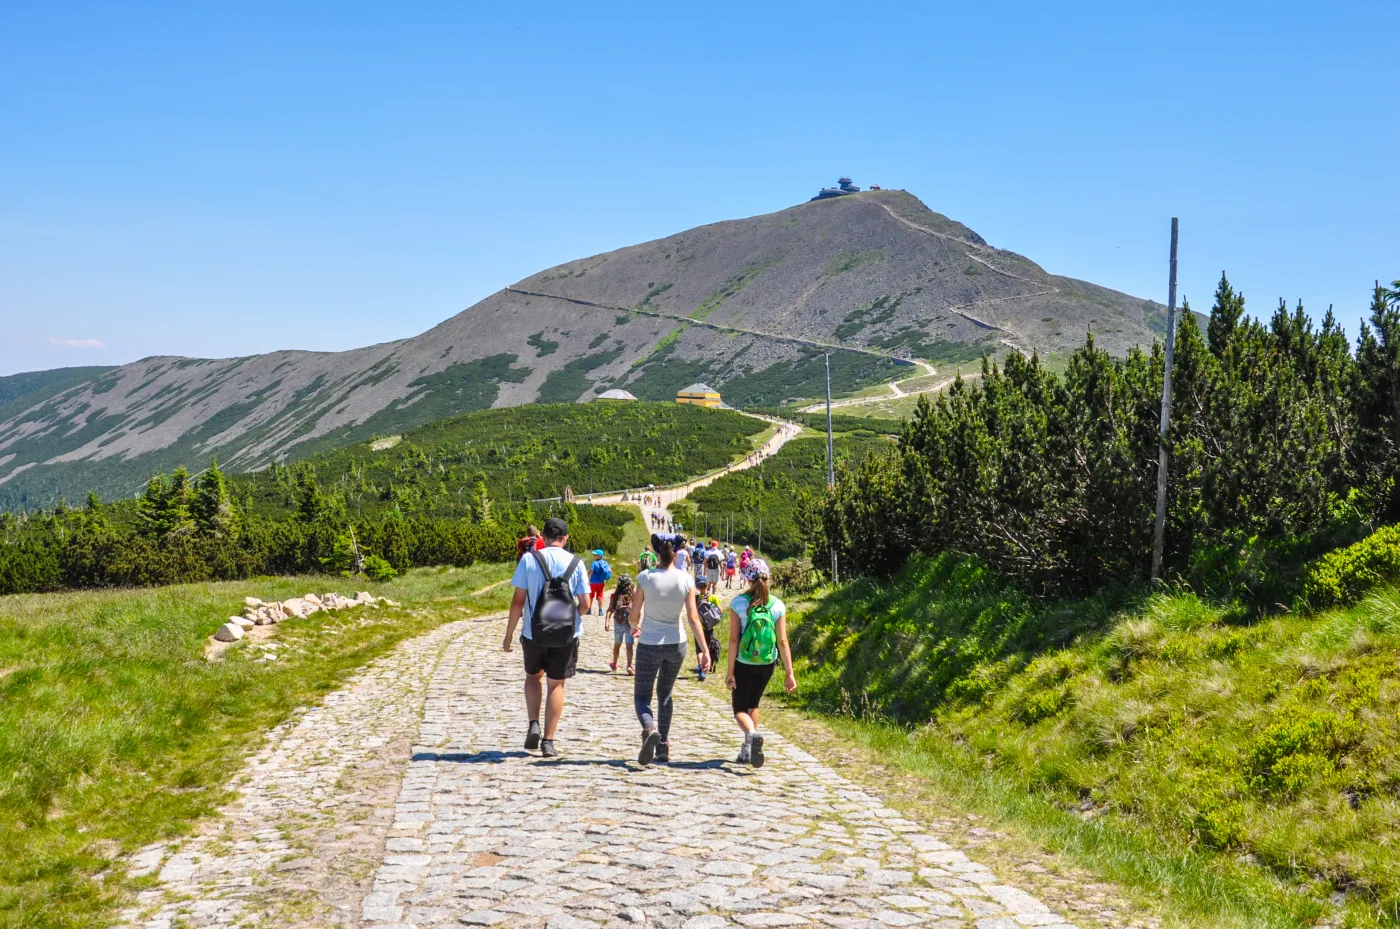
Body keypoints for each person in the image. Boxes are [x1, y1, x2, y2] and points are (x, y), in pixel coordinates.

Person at [502, 517, 591, 758]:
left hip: (533, 632)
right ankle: (548, 741)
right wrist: (571, 617)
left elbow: (517, 601)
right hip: (566, 635)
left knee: (533, 678)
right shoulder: (576, 563)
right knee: (556, 683)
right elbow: (585, 604)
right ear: (566, 537)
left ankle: (533, 723)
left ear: (543, 536)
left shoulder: (529, 560)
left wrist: (509, 635)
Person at [630, 534, 712, 766]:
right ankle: (663, 746)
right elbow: (694, 618)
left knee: (642, 696)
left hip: (649, 643)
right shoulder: (686, 579)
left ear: (656, 553)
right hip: (677, 644)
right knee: (665, 694)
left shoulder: (645, 578)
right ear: (675, 553)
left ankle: (649, 729)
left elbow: (634, 615)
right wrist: (705, 650)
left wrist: (634, 627)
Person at [726, 558, 795, 768]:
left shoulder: (738, 603)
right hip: (767, 663)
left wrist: (730, 672)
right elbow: (783, 641)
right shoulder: (777, 605)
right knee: (753, 703)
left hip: (744, 661)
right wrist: (790, 673)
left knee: (739, 708)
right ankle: (749, 749)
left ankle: (752, 735)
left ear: (747, 579)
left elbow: (733, 640)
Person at [605, 574, 636, 675]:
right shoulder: (633, 596)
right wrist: (637, 624)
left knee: (617, 645)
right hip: (629, 624)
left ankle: (614, 663)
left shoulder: (615, 596)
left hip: (618, 623)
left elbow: (610, 609)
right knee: (629, 646)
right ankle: (629, 665)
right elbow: (637, 610)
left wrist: (607, 622)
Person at [694, 576, 723, 681]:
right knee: (708, 646)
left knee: (699, 649)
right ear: (708, 585)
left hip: (699, 627)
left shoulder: (696, 598)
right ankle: (708, 666)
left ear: (697, 587)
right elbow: (721, 611)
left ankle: (701, 669)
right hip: (710, 628)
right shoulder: (713, 597)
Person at [588, 549, 612, 616]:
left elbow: (590, 572)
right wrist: (605, 579)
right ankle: (600, 611)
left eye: (595, 555)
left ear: (599, 556)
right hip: (601, 583)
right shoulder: (605, 563)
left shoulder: (594, 563)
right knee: (600, 597)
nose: (594, 555)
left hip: (593, 582)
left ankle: (589, 610)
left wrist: (587, 580)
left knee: (591, 596)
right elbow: (610, 572)